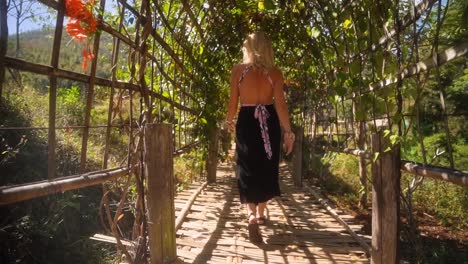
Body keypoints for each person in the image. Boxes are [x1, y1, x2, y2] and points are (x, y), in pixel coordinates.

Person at [224, 32, 295, 242]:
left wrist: (229, 121)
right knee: (267, 164)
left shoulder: (238, 71)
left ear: (249, 47)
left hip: (246, 120)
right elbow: (280, 104)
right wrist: (288, 132)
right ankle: (261, 214)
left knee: (246, 165)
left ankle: (251, 215)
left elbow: (233, 103)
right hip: (269, 119)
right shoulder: (274, 73)